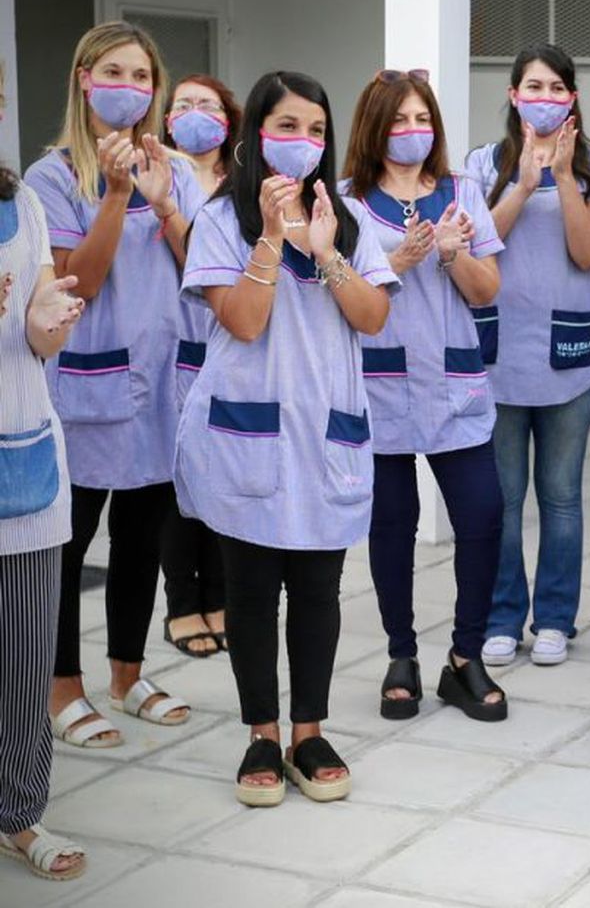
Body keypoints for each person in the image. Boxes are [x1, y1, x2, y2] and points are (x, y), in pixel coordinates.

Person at [175, 70, 397, 806]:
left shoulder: (350, 217)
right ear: (256, 136)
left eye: (314, 129)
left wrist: (327, 251)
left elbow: (372, 318)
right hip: (252, 431)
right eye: (287, 127)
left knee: (317, 589)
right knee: (250, 590)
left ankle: (310, 731)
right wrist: (271, 239)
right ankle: (261, 734)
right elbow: (242, 320)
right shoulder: (220, 220)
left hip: (326, 432)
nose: (302, 142)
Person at [25, 21, 200, 749]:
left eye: (141, 76)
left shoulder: (179, 170)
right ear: (84, 79)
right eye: (115, 73)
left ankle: (127, 673)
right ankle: (60, 686)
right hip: (91, 385)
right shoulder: (51, 177)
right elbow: (78, 282)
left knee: (143, 534)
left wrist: (162, 201)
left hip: (161, 383)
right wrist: (115, 193)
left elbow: (202, 268)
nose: (129, 88)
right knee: (72, 541)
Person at [342, 68, 507, 721]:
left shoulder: (462, 191)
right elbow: (340, 293)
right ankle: (401, 654)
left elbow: (487, 287)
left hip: (455, 386)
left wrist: (448, 254)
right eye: (400, 120)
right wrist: (400, 263)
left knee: (483, 516)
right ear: (374, 129)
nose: (413, 131)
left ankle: (466, 658)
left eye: (422, 119)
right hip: (379, 386)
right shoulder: (348, 200)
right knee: (392, 525)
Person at [465, 45, 590, 670]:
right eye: (533, 86)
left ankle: (555, 617)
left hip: (571, 355)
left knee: (560, 495)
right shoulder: (480, 164)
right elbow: (477, 242)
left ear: (572, 98)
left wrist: (559, 176)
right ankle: (502, 617)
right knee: (502, 497)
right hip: (500, 356)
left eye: (556, 88)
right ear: (512, 94)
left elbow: (587, 253)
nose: (545, 97)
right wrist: (525, 181)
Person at [0, 70, 90, 880]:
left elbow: (34, 337)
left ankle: (20, 813)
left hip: (24, 465)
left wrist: (43, 321)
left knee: (27, 662)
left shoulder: (22, 205)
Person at [159, 73, 242, 658]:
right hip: (172, 344)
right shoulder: (154, 175)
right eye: (183, 105)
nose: (194, 114)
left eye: (206, 105)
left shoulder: (241, 185)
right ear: (166, 121)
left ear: (228, 120)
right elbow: (194, 259)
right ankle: (181, 604)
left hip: (229, 340)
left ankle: (219, 595)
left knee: (223, 474)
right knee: (175, 480)